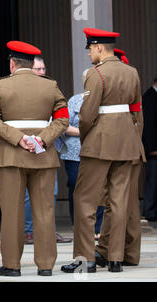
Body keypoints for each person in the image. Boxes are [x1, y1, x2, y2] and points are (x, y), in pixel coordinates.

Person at [61, 28, 144, 274]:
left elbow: (87, 115)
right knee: (119, 202)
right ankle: (115, 259)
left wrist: (87, 137)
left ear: (98, 47)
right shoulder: (132, 72)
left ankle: (85, 258)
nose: (89, 54)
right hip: (126, 142)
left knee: (85, 200)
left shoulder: (97, 74)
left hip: (99, 144)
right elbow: (136, 110)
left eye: (90, 49)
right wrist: (133, 139)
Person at [0, 41, 69, 277]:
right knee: (44, 212)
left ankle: (12, 265)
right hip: (43, 155)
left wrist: (18, 138)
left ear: (12, 63)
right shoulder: (50, 86)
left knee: (12, 212)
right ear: (33, 64)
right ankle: (45, 265)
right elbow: (63, 119)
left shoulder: (0, 86)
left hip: (10, 155)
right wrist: (42, 139)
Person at [95, 49, 144, 267]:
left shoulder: (107, 83)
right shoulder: (131, 84)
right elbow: (137, 119)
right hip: (132, 148)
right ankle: (130, 253)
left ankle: (107, 251)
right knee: (128, 205)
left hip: (117, 149)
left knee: (112, 202)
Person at [24, 56, 72, 245]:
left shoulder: (51, 88)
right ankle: (28, 232)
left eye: (43, 68)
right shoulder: (24, 90)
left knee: (51, 191)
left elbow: (61, 116)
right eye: (38, 69)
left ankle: (48, 231)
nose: (42, 72)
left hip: (48, 145)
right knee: (28, 195)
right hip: (25, 144)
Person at [61, 68, 105, 240]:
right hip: (74, 154)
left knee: (99, 189)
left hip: (98, 151)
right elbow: (64, 125)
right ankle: (77, 225)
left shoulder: (104, 101)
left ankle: (97, 227)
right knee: (76, 189)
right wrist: (84, 131)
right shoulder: (74, 100)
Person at [141, 75, 157, 222]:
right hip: (153, 149)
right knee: (152, 181)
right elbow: (148, 126)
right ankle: (150, 211)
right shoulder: (149, 97)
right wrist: (151, 147)